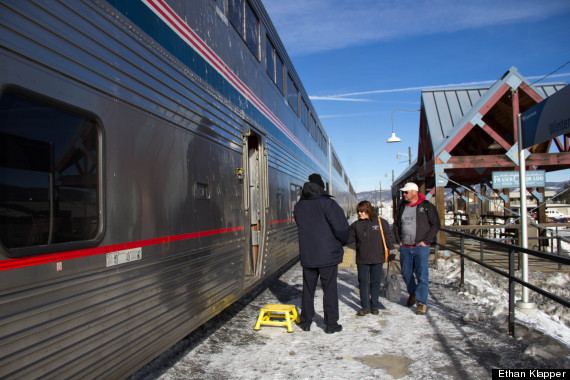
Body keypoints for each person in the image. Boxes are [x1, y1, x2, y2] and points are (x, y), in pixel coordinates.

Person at [293, 173, 349, 334]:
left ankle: (305, 321)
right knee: (329, 289)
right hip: (328, 255)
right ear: (322, 187)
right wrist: (343, 241)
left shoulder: (299, 206)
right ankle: (331, 324)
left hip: (308, 254)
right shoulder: (328, 203)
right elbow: (341, 228)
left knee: (308, 289)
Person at [392, 182, 440, 315]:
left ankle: (421, 302)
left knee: (422, 275)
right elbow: (396, 224)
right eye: (404, 192)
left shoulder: (426, 206)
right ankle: (413, 292)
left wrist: (426, 241)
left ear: (414, 192)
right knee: (406, 273)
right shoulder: (402, 207)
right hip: (405, 247)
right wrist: (399, 240)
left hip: (421, 247)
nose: (404, 194)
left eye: (406, 192)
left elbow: (435, 224)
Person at [347, 201, 395, 316]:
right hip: (362, 259)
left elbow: (388, 238)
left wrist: (392, 251)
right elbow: (348, 240)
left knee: (375, 282)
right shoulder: (356, 225)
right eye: (358, 211)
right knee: (363, 282)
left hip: (377, 258)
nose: (360, 214)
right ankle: (365, 307)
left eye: (362, 211)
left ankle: (374, 305)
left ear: (368, 210)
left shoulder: (381, 222)